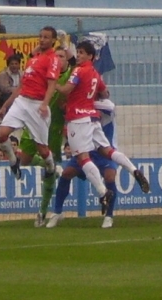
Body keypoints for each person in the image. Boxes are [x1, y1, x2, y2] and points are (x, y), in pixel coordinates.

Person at [55, 41, 149, 216]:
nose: (79, 56)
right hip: (92, 117)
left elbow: (65, 90)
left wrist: (53, 83)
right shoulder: (95, 74)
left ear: (90, 56)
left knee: (82, 157)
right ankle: (134, 170)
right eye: (79, 52)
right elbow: (105, 93)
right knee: (107, 149)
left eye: (82, 53)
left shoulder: (78, 71)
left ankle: (102, 192)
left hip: (78, 118)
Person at [0, 26, 61, 179]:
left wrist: (45, 104)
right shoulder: (33, 60)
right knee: (2, 134)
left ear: (53, 40)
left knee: (43, 150)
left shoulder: (53, 60)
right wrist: (5, 106)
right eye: (40, 36)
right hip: (22, 101)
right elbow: (21, 87)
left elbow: (52, 84)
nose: (42, 40)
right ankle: (13, 161)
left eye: (46, 37)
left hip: (37, 106)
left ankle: (51, 167)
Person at [47, 99, 120, 229]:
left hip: (104, 152)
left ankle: (109, 216)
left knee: (110, 177)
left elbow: (111, 107)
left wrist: (84, 104)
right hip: (85, 151)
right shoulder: (78, 109)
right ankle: (57, 213)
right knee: (66, 173)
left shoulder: (106, 106)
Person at [20, 46, 72, 227]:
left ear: (67, 60)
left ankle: (42, 212)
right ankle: (49, 165)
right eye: (55, 55)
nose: (57, 58)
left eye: (62, 56)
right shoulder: (44, 72)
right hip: (35, 120)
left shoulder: (69, 78)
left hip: (54, 129)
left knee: (49, 178)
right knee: (23, 159)